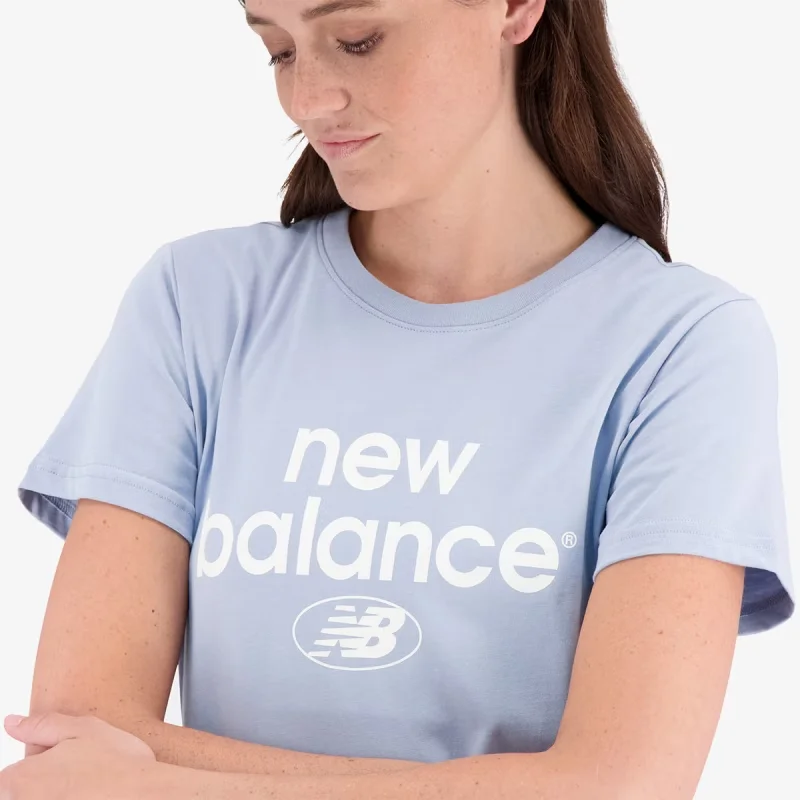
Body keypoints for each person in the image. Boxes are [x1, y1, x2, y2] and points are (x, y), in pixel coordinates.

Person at [4, 0, 795, 797]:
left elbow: (621, 786)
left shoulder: (682, 345)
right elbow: (73, 739)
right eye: (279, 51)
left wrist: (164, 782)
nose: (308, 100)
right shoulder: (197, 302)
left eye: (359, 40)